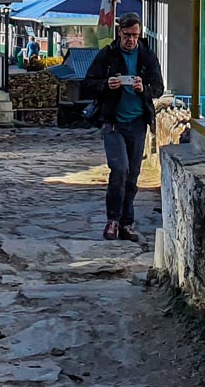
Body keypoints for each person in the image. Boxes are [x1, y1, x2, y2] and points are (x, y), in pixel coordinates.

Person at [83, 12, 164, 242]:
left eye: (135, 35)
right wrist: (107, 85)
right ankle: (113, 220)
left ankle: (127, 223)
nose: (131, 40)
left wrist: (143, 88)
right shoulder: (108, 55)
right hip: (113, 123)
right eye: (127, 35)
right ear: (120, 32)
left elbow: (158, 87)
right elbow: (88, 84)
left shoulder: (147, 56)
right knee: (119, 170)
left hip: (138, 123)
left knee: (132, 176)